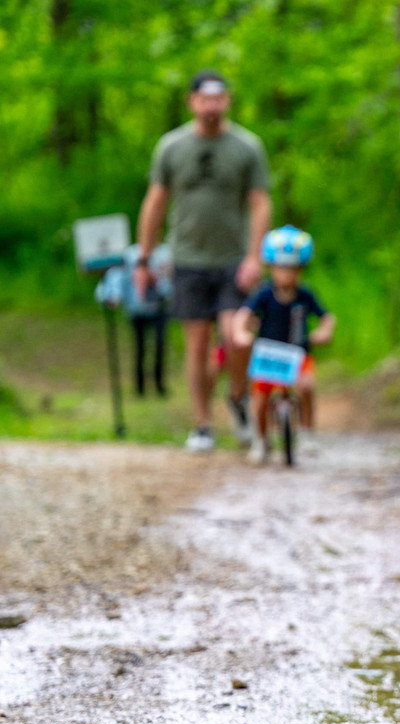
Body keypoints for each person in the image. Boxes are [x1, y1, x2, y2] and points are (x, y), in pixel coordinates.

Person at [135, 68, 272, 452]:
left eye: (219, 97)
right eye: (205, 98)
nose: (212, 105)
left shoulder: (247, 147)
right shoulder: (171, 148)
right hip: (187, 260)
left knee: (236, 337)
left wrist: (254, 257)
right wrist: (144, 259)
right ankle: (202, 425)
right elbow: (156, 202)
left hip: (234, 261)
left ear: (227, 100)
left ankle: (238, 396)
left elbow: (260, 202)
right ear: (192, 101)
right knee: (196, 346)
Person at [232, 225, 336, 464]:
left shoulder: (305, 295)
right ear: (271, 267)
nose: (287, 274)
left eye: (292, 268)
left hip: (298, 354)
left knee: (307, 386)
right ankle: (261, 439)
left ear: (301, 269)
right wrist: (240, 332)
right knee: (259, 399)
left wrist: (324, 331)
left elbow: (326, 316)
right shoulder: (264, 294)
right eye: (281, 267)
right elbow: (244, 314)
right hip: (268, 355)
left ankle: (307, 432)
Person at [94, 245, 172, 397]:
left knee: (160, 346)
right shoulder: (130, 255)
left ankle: (159, 385)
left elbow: (170, 282)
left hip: (158, 308)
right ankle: (140, 387)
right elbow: (117, 278)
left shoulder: (164, 253)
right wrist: (113, 296)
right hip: (136, 309)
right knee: (140, 347)